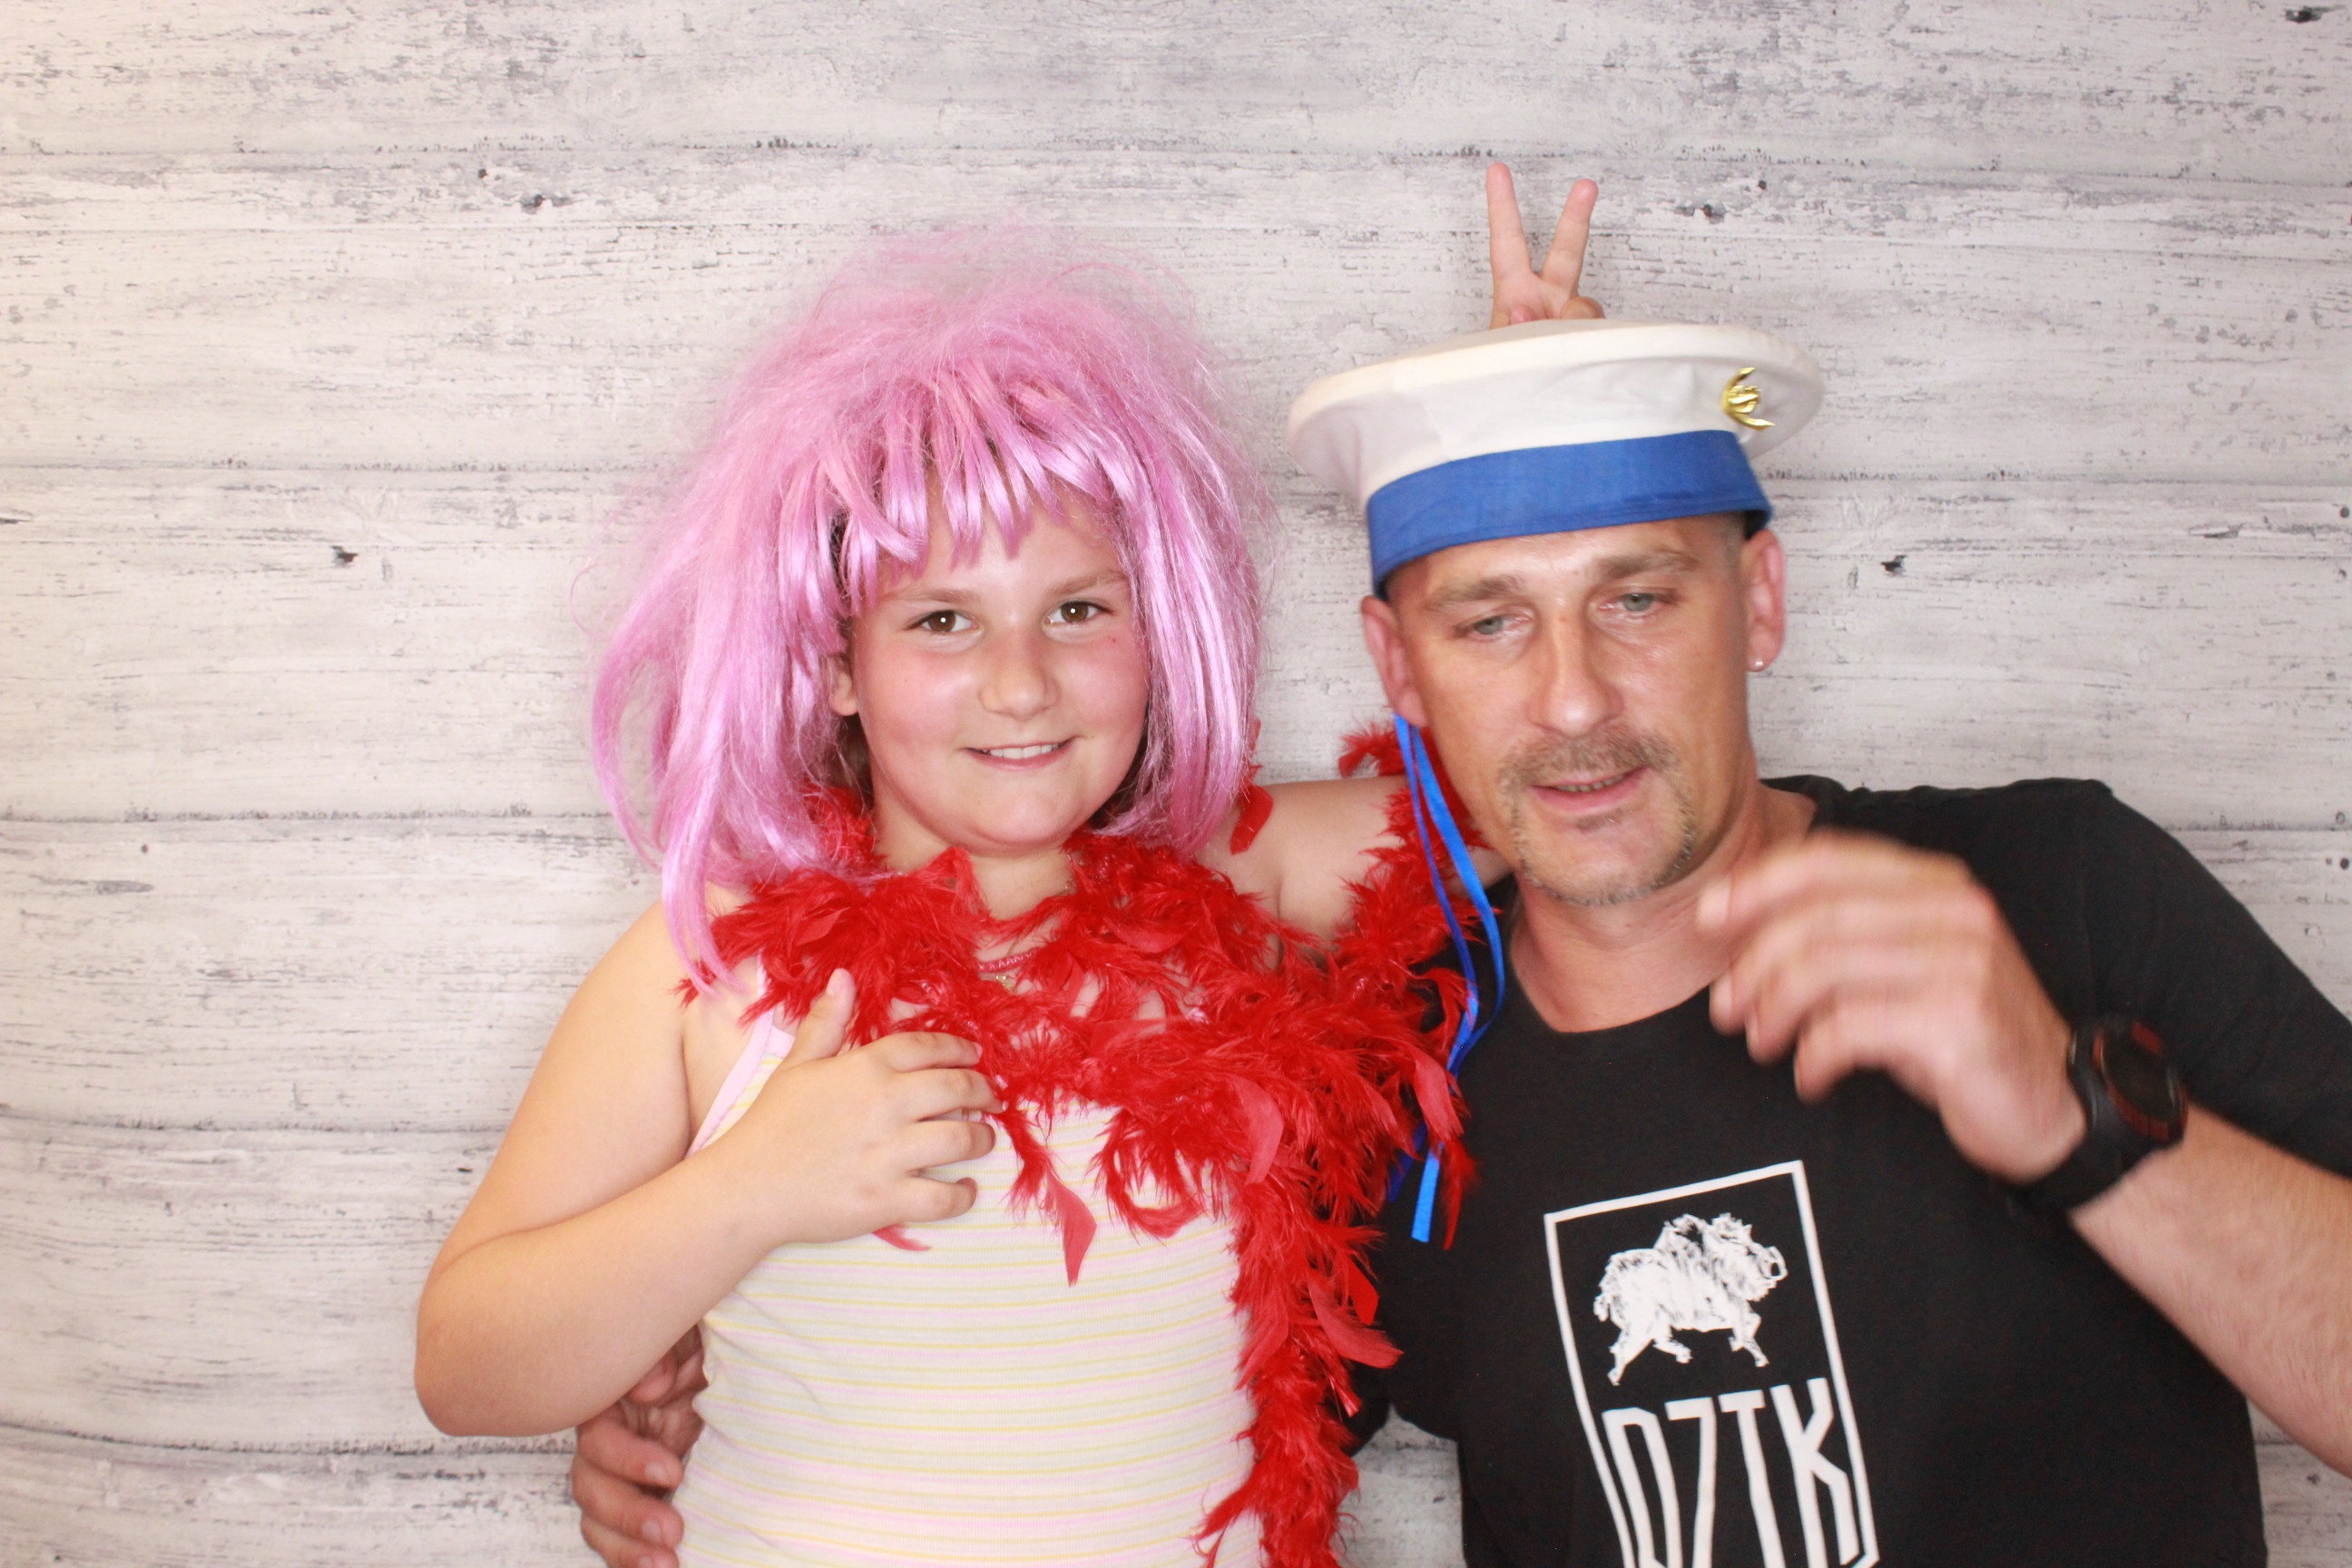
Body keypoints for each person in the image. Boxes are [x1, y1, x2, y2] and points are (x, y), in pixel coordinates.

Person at [572, 171, 2352, 1567]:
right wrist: (696, 1360)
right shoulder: (1386, 1089)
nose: (1573, 697)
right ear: (1398, 670)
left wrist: (2074, 1123)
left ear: (1763, 599)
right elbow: (1109, 1390)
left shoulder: (2052, 886)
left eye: (1639, 595)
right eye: (1490, 620)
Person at [413, 232, 1469, 1568]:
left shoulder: (1244, 876)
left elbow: (1558, 797)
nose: (1020, 685)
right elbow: (465, 1366)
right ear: (835, 663)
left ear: (1160, 630)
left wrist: (1550, 436)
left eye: (1078, 611)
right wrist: (745, 1194)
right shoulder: (716, 966)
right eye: (941, 620)